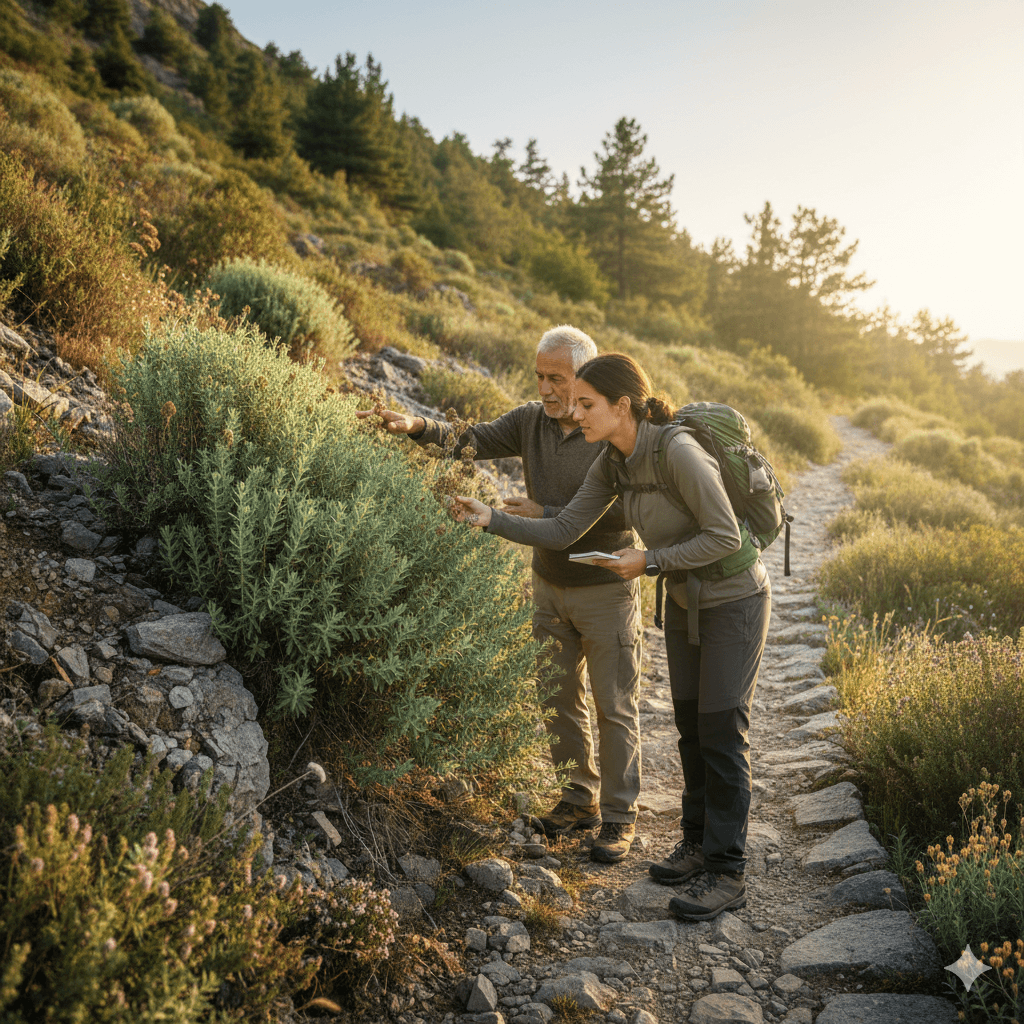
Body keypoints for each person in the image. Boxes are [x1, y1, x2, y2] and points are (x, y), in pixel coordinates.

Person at [454, 352, 771, 921]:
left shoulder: (677, 450)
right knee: (691, 728)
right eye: (572, 403)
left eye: (585, 404)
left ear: (623, 405)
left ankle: (727, 870)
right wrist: (490, 518)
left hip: (735, 598)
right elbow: (564, 527)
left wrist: (649, 560)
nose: (572, 414)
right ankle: (696, 846)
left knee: (722, 730)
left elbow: (724, 536)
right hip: (683, 600)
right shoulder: (611, 460)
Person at [357, 327, 643, 864]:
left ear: (584, 377)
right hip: (548, 585)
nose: (546, 388)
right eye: (540, 376)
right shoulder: (530, 422)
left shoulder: (607, 426)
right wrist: (415, 425)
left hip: (607, 591)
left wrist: (547, 515)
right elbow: (474, 438)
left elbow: (627, 516)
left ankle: (621, 816)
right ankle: (577, 800)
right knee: (558, 699)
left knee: (614, 707)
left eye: (556, 378)